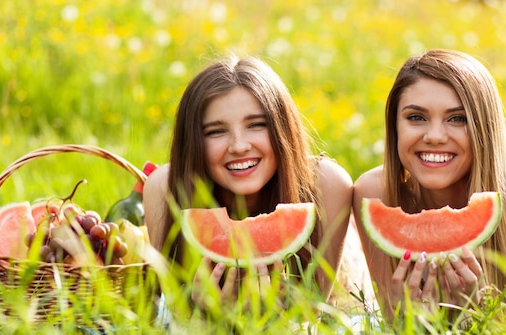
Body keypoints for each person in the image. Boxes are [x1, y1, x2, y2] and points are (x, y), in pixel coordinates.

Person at [352, 49, 506, 324]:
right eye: (416, 117)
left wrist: (469, 319)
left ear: (485, 127)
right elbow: (395, 326)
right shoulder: (375, 194)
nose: (434, 136)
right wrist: (415, 326)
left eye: (458, 119)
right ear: (394, 125)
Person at [144, 55, 373, 313]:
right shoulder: (164, 187)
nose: (239, 146)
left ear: (282, 128)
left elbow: (312, 318)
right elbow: (175, 317)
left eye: (256, 125)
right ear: (193, 141)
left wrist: (277, 320)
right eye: (216, 131)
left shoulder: (326, 183)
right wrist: (209, 323)